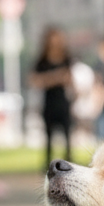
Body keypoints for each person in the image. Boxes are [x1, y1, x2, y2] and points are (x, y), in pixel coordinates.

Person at [30, 27, 74, 167]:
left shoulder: (66, 59)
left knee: (67, 136)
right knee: (48, 137)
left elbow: (69, 79)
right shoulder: (42, 61)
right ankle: (48, 164)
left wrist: (49, 79)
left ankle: (68, 163)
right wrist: (56, 77)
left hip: (63, 102)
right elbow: (35, 81)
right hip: (49, 103)